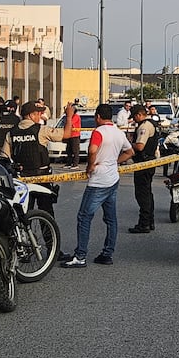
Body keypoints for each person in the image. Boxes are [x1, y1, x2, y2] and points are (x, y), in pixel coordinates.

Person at [61, 103, 135, 268]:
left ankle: (80, 256)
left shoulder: (98, 132)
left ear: (98, 117)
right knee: (111, 219)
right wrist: (114, 162)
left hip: (98, 181)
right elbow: (130, 152)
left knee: (84, 217)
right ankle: (107, 253)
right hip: (113, 179)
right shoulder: (118, 132)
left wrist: (90, 166)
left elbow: (92, 151)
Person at [2, 100, 74, 218]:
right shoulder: (41, 130)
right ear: (31, 115)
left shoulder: (11, 133)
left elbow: (4, 157)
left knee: (23, 213)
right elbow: (66, 134)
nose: (41, 116)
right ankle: (49, 236)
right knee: (46, 214)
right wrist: (69, 116)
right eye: (38, 113)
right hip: (42, 177)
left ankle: (24, 235)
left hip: (22, 179)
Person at [128, 104, 160, 233]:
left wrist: (129, 144)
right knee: (147, 193)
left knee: (142, 195)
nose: (134, 120)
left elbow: (140, 146)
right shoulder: (151, 123)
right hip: (148, 162)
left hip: (144, 163)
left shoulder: (144, 126)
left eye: (135, 117)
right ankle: (149, 221)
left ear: (139, 115)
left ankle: (144, 224)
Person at [63, 104, 82, 170]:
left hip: (75, 135)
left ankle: (75, 164)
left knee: (75, 150)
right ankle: (69, 163)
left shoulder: (76, 117)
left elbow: (70, 123)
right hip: (69, 135)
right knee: (69, 150)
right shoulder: (68, 117)